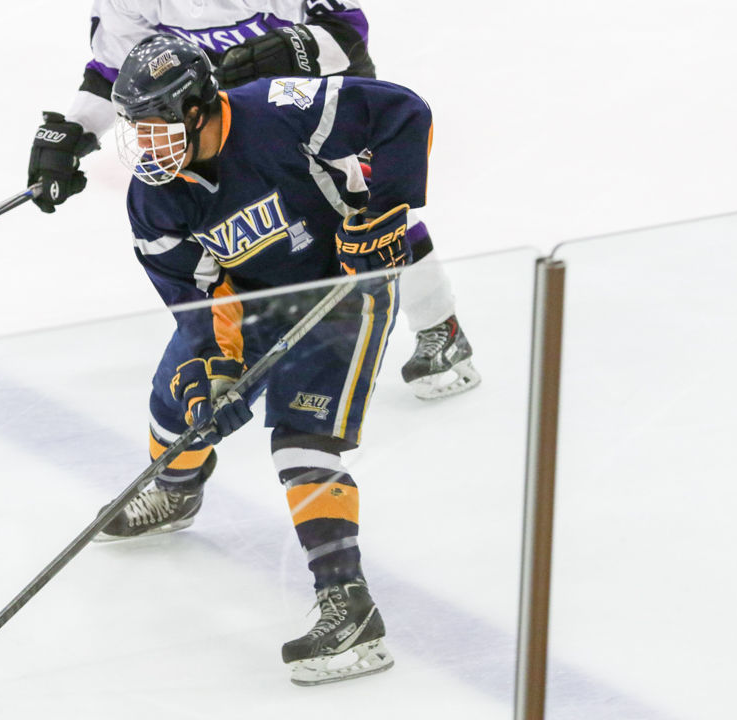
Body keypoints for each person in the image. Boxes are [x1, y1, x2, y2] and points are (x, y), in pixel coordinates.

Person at [94, 32, 433, 686]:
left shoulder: (282, 110)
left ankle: (349, 605)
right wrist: (212, 374)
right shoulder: (154, 200)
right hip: (251, 300)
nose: (146, 142)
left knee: (300, 443)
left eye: (160, 124)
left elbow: (401, 114)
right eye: (136, 127)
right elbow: (198, 297)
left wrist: (386, 210)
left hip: (340, 287)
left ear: (200, 108)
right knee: (173, 407)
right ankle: (175, 492)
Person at [26, 0, 480, 399]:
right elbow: (116, 71)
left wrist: (288, 49)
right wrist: (75, 131)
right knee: (246, 215)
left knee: (362, 203)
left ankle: (440, 325)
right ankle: (266, 331)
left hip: (306, 91)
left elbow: (347, 33)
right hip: (204, 116)